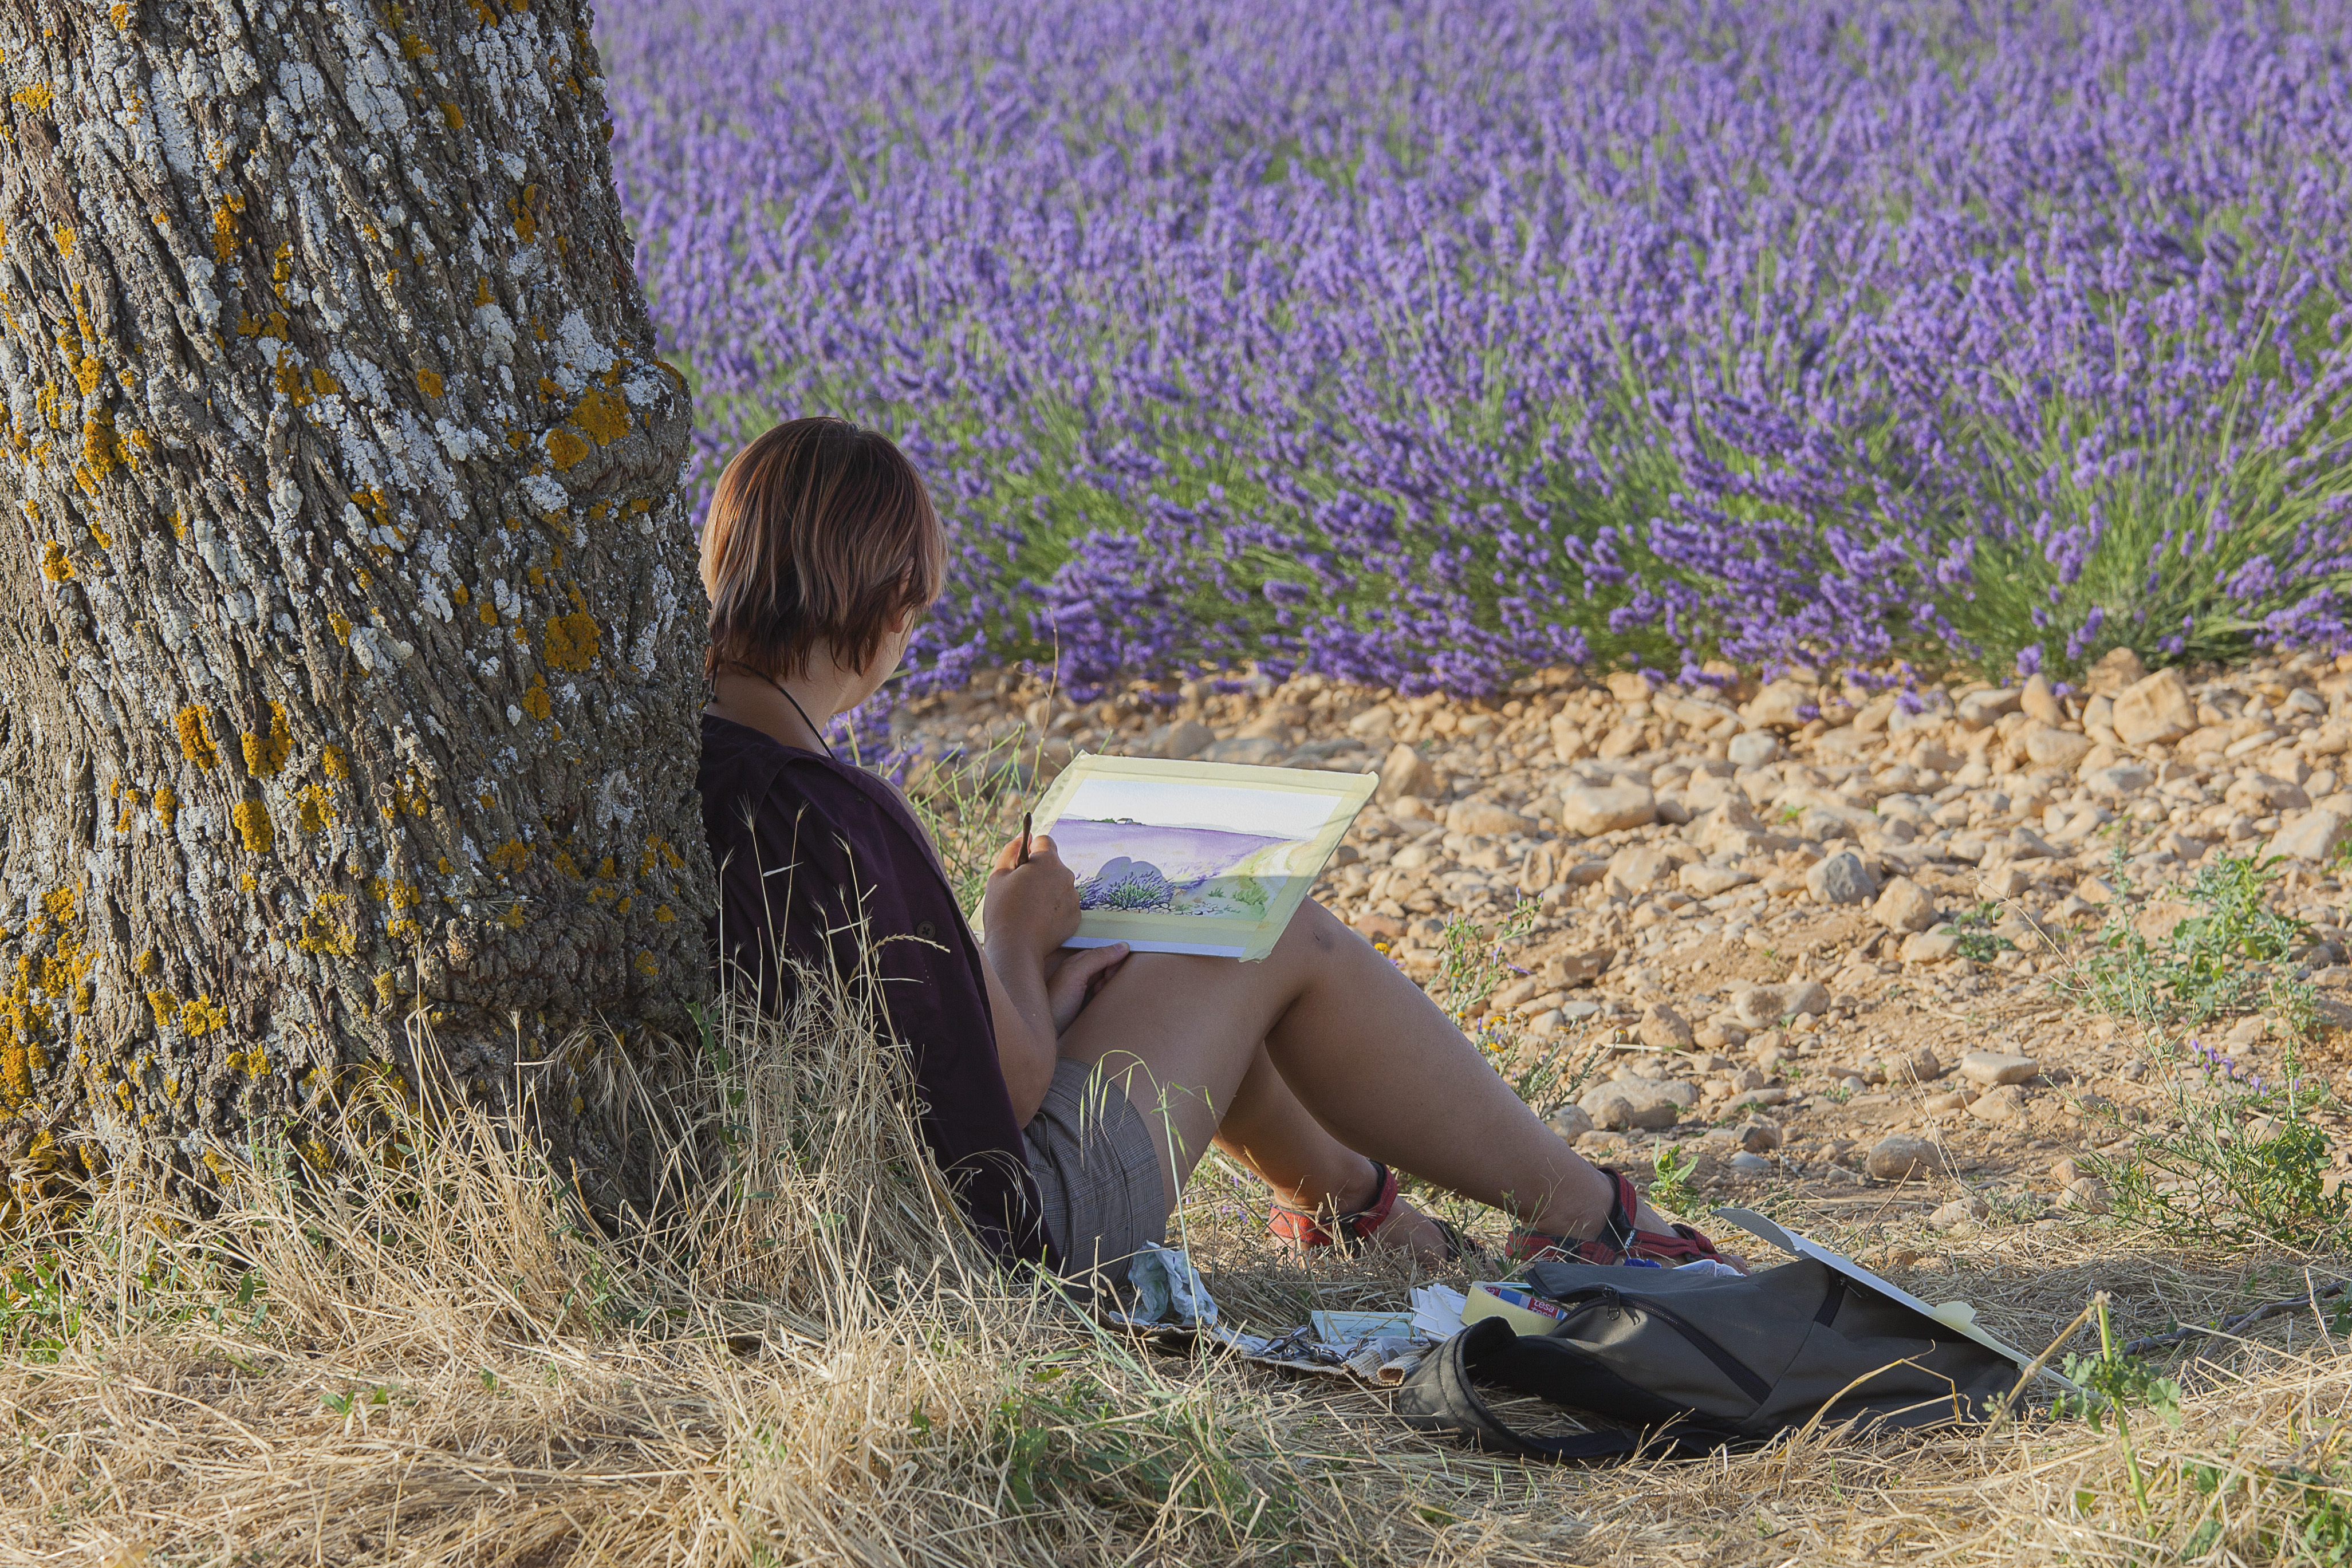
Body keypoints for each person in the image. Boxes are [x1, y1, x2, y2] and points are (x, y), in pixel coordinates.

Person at [696, 415, 1736, 1282]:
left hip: (849, 1226)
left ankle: (1347, 1202)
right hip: (1005, 1240)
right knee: (1269, 931)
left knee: (1147, 947)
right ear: (888, 613)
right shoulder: (839, 812)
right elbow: (1004, 1095)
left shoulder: (697, 763)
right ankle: (1589, 1216)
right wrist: (1010, 941)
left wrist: (1040, 992)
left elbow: (900, 1043)